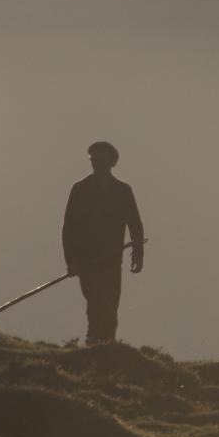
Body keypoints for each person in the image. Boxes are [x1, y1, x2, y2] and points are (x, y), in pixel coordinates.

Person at [62, 141, 144, 344]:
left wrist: (138, 253)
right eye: (93, 160)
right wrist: (71, 260)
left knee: (110, 306)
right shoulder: (80, 189)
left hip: (112, 261)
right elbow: (69, 228)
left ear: (111, 162)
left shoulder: (123, 191)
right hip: (87, 261)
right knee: (95, 304)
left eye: (101, 160)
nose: (96, 163)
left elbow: (135, 224)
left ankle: (107, 346)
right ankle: (95, 345)